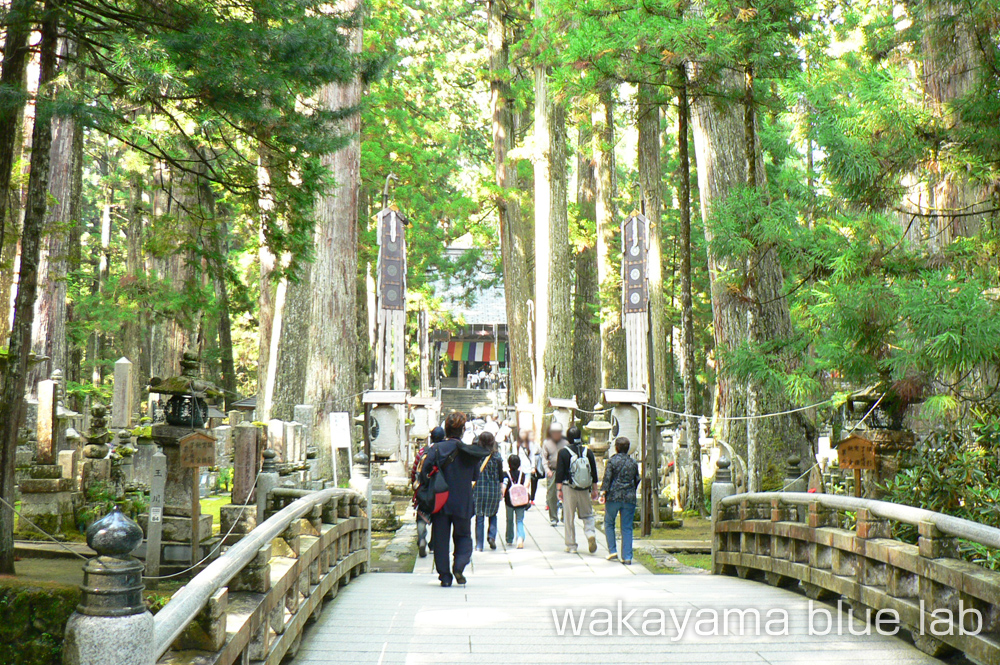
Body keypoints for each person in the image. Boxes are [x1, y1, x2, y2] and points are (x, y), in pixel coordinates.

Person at [420, 412, 488, 587]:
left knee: (441, 539)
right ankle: (459, 566)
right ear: (462, 430)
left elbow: (424, 474)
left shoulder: (436, 449)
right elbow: (475, 476)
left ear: (446, 430)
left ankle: (445, 576)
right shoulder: (468, 451)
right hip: (463, 501)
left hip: (441, 500)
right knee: (464, 535)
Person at [555, 426, 599, 554]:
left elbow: (560, 473)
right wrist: (594, 489)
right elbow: (594, 473)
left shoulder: (563, 452)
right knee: (588, 514)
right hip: (585, 488)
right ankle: (590, 534)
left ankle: (571, 545)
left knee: (569, 516)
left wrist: (559, 490)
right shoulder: (588, 452)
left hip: (569, 488)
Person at [600, 436, 640, 564]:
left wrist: (603, 492)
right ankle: (627, 556)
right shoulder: (633, 462)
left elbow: (607, 478)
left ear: (616, 448)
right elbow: (637, 479)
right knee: (627, 527)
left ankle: (612, 550)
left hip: (614, 496)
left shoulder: (612, 462)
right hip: (629, 497)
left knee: (609, 522)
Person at [411, 426, 446, 558]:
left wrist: (414, 485)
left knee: (421, 516)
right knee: (438, 518)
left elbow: (415, 471)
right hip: (440, 491)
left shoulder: (422, 452)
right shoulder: (445, 453)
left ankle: (421, 538)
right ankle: (433, 545)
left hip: (424, 490)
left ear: (431, 437)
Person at [473, 431, 503, 551]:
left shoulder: (476, 455)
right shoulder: (497, 457)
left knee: (479, 516)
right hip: (493, 489)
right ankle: (491, 537)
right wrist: (501, 488)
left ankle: (479, 545)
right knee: (493, 514)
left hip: (479, 489)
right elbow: (501, 475)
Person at [541, 422, 567, 526]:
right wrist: (547, 469)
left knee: (566, 493)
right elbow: (544, 458)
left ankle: (565, 516)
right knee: (551, 495)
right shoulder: (547, 443)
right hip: (553, 471)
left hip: (564, 471)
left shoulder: (565, 443)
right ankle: (553, 517)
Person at [502, 454, 529, 548]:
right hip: (521, 501)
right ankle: (520, 538)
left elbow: (504, 487)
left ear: (509, 464)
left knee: (509, 520)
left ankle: (509, 538)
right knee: (520, 520)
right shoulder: (523, 475)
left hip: (509, 501)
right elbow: (526, 486)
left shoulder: (506, 474)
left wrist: (501, 494)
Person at [515, 429, 541, 503]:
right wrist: (516, 466)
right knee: (520, 485)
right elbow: (514, 455)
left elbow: (532, 456)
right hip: (520, 468)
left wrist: (533, 467)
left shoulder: (530, 444)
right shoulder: (516, 444)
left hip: (528, 468)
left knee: (527, 485)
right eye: (521, 433)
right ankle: (521, 498)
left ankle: (525, 500)